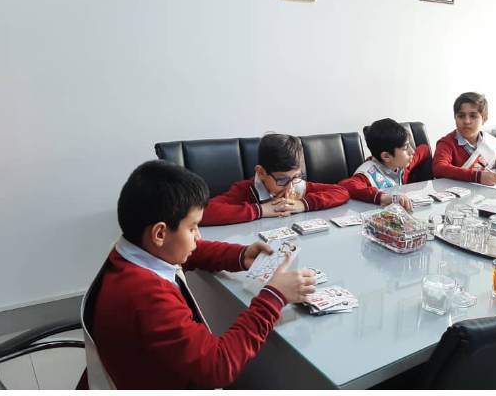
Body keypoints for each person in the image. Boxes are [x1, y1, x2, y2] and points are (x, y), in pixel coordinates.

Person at [90, 160, 317, 389]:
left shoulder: (133, 250)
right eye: (192, 228)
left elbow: (191, 251)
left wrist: (241, 255)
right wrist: (273, 297)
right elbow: (218, 367)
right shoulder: (148, 296)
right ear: (159, 233)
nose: (198, 236)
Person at [201, 133, 349, 226]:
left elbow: (341, 191)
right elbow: (203, 212)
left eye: (296, 177)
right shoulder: (244, 190)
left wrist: (302, 204)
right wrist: (260, 210)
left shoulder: (297, 185)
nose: (290, 188)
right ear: (261, 172)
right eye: (282, 180)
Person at [433, 92, 496, 185]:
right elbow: (439, 168)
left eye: (473, 116)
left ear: (484, 119)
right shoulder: (447, 143)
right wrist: (477, 176)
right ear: (455, 118)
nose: (466, 121)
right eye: (461, 116)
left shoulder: (490, 143)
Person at [338, 118, 431, 212]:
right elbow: (346, 185)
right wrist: (383, 197)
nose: (412, 151)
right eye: (405, 147)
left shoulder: (401, 165)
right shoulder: (368, 174)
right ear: (386, 156)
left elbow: (424, 149)